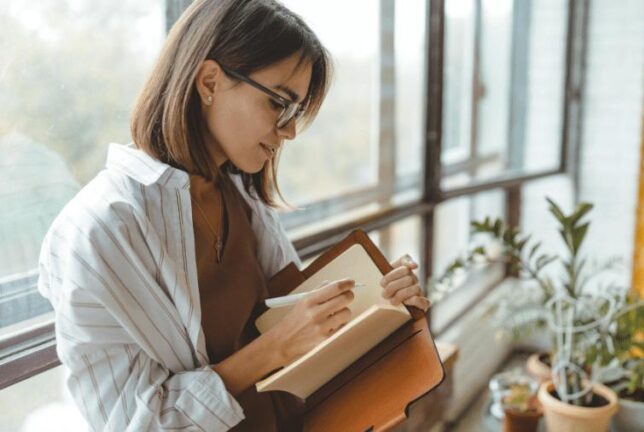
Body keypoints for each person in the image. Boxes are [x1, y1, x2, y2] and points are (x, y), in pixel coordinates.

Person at [36, 0, 430, 430]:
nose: (290, 130)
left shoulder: (242, 198)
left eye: (296, 110)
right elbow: (133, 424)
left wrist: (382, 304)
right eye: (279, 103)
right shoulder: (100, 231)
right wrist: (273, 350)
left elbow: (303, 340)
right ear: (209, 82)